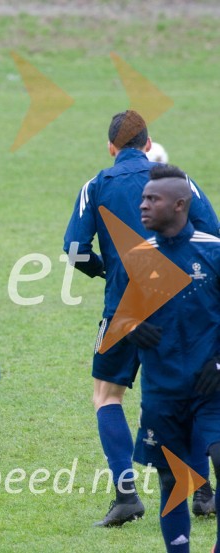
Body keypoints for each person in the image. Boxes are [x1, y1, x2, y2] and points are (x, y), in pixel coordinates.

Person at [63, 110, 218, 526]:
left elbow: (74, 249)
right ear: (148, 145)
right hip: (182, 305)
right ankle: (203, 493)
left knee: (107, 396)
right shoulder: (176, 183)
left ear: (111, 147)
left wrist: (105, 271)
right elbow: (213, 236)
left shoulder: (96, 185)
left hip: (125, 308)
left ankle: (126, 495)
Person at [130, 165, 220, 553]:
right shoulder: (138, 257)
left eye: (153, 199)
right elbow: (121, 314)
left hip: (211, 387)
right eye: (144, 198)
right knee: (171, 481)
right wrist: (131, 327)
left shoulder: (213, 251)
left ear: (180, 204)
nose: (143, 205)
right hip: (162, 390)